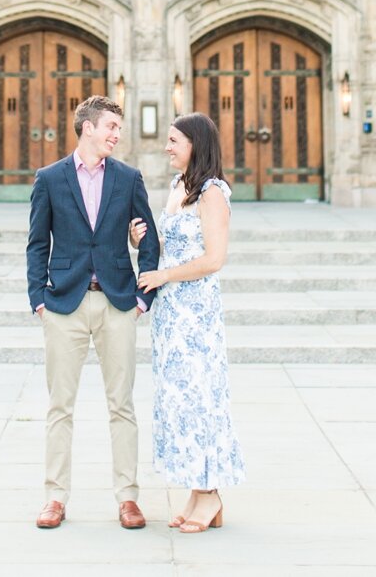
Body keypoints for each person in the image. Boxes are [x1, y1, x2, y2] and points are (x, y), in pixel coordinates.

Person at [26, 94, 160, 531]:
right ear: (87, 127)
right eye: (111, 128)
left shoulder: (128, 178)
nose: (117, 135)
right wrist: (38, 299)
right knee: (60, 406)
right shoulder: (48, 179)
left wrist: (143, 298)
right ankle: (55, 497)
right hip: (64, 304)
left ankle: (128, 499)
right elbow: (36, 243)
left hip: (118, 303)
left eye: (118, 129)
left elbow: (150, 240)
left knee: (121, 405)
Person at [132, 111, 246, 533]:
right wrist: (141, 241)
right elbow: (172, 245)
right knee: (179, 403)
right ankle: (197, 493)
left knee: (201, 401)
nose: (167, 147)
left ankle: (211, 492)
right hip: (171, 316)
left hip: (196, 314)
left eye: (174, 141)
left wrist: (164, 275)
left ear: (195, 144)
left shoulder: (213, 192)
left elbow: (214, 259)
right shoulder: (179, 187)